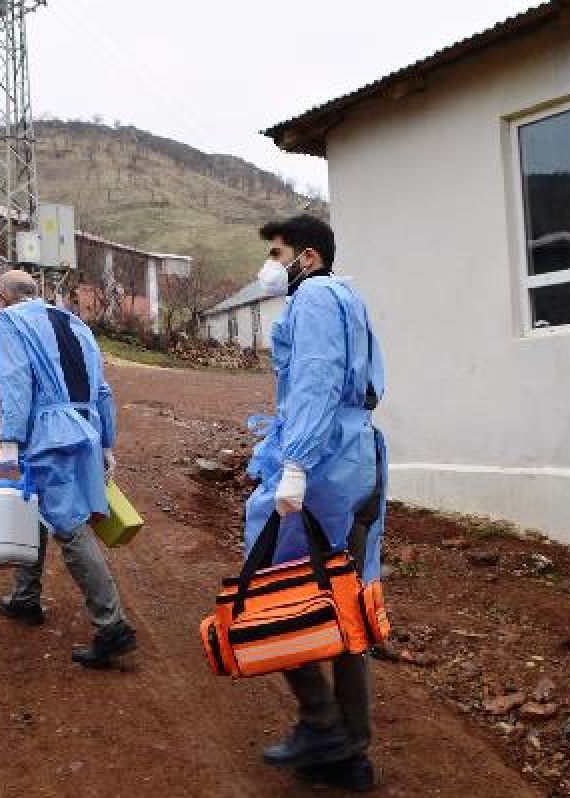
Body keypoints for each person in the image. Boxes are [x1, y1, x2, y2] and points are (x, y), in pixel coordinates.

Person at [243, 215, 387, 792]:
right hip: (356, 460)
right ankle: (349, 752)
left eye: (275, 253)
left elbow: (316, 378)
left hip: (324, 465)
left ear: (305, 257)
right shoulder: (349, 298)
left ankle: (322, 723)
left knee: (275, 591)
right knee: (344, 602)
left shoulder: (317, 296)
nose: (270, 266)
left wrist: (296, 463)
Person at [0, 270, 137, 669]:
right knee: (35, 503)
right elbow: (102, 388)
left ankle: (112, 626)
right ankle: (24, 597)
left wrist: (9, 441)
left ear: (3, 297)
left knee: (69, 525)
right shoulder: (74, 323)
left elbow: (13, 380)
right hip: (85, 428)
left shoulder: (10, 321)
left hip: (50, 432)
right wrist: (106, 443)